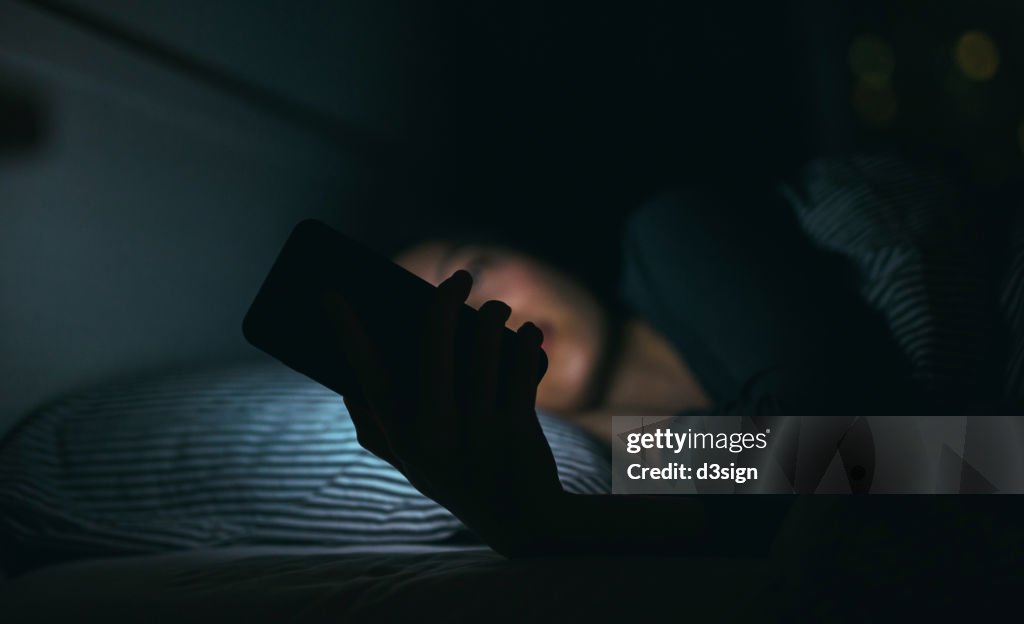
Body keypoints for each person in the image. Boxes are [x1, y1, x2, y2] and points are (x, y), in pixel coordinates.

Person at [325, 163, 1006, 557]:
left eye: (472, 274)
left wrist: (551, 525)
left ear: (529, 250)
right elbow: (953, 460)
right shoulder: (648, 462)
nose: (488, 316)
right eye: (448, 329)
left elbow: (872, 444)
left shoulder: (669, 235)